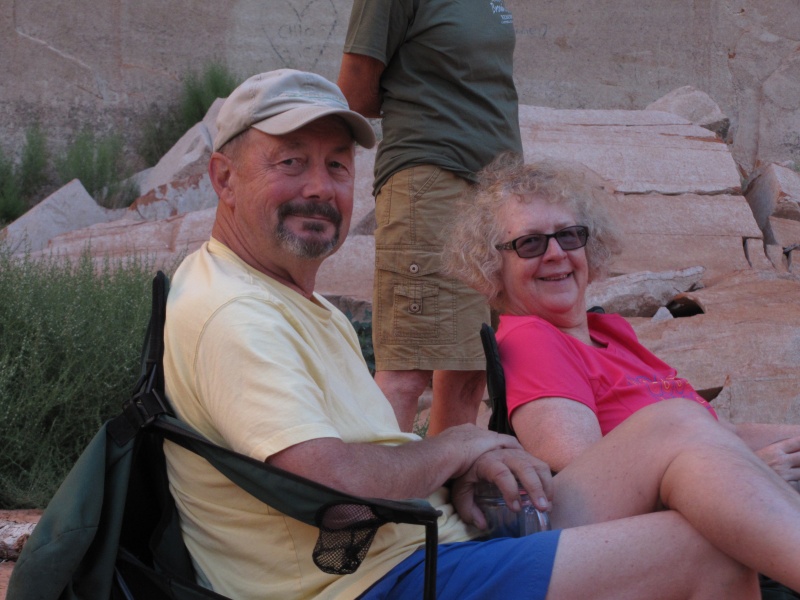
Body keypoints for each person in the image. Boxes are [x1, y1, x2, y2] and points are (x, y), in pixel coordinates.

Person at [162, 69, 800, 600]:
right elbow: (329, 484)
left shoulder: (296, 302)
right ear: (223, 178)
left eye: (335, 165)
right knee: (705, 550)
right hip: (367, 580)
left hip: (422, 538)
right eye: (290, 163)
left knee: (675, 427)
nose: (319, 187)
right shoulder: (235, 313)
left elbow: (361, 454)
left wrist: (465, 464)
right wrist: (458, 445)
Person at [444, 154, 800, 480]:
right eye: (530, 243)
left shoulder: (609, 333)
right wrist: (746, 472)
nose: (555, 253)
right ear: (493, 265)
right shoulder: (532, 340)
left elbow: (728, 433)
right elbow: (588, 480)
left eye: (569, 236)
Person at [336, 0, 523, 434]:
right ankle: (376, 499)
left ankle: (439, 495)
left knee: (470, 368)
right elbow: (355, 91)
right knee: (409, 367)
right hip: (432, 183)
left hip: (495, 190)